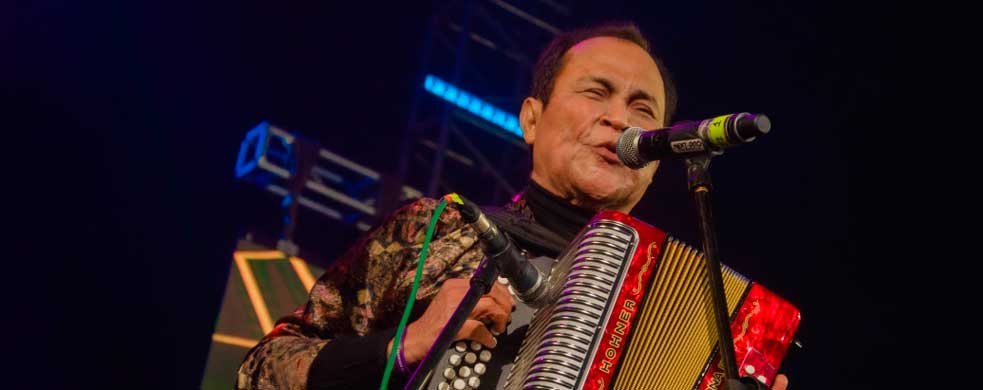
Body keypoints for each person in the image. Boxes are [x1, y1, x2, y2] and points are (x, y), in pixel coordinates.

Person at [236, 21, 788, 390]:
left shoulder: (701, 315)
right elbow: (258, 372)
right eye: (596, 92)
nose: (621, 119)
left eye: (642, 107)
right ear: (531, 118)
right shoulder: (437, 230)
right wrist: (407, 346)